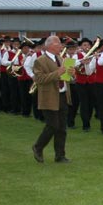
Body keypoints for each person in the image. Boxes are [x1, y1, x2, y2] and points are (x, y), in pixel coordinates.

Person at [31, 36, 73, 164]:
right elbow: (40, 79)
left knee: (62, 128)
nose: (61, 46)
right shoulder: (40, 61)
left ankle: (60, 155)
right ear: (50, 46)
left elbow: (64, 77)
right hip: (49, 97)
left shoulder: (61, 58)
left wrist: (70, 74)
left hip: (62, 95)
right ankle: (38, 147)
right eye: (58, 44)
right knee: (52, 125)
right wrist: (58, 72)